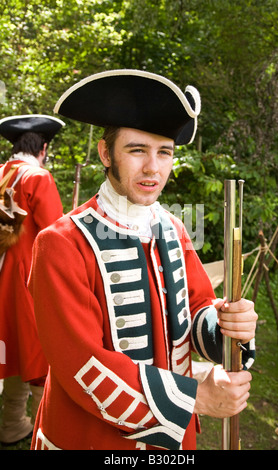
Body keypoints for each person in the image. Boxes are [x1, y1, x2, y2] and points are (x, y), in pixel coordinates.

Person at [29, 70, 257, 451]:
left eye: (164, 152)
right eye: (137, 150)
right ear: (106, 153)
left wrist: (227, 326)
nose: (153, 167)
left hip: (172, 439)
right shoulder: (59, 243)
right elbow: (81, 364)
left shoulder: (173, 228)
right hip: (92, 440)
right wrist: (195, 398)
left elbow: (197, 307)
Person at [0, 115, 65, 445]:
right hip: (25, 278)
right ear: (42, 148)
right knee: (39, 345)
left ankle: (12, 422)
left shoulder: (1, 173)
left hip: (2, 276)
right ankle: (47, 424)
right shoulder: (37, 176)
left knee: (11, 344)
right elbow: (56, 233)